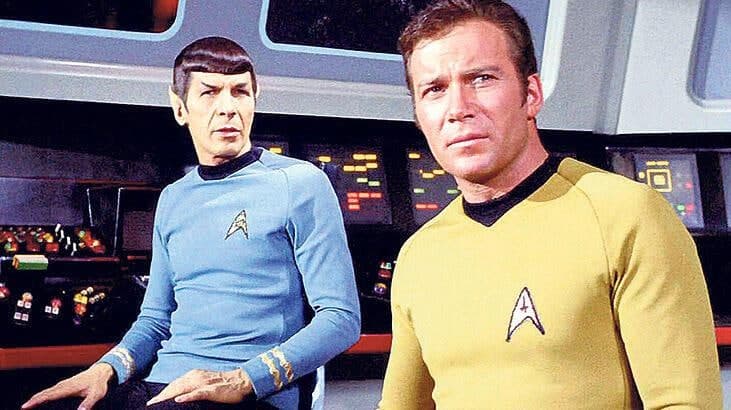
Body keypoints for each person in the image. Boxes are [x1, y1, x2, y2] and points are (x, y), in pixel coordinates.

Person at [379, 1, 722, 408]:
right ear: (418, 115)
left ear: (531, 94)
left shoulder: (626, 215)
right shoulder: (420, 256)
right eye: (434, 90)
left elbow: (685, 402)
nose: (458, 109)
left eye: (481, 79)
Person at [23, 36, 361, 410]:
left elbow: (341, 320)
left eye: (240, 92)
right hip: (163, 387)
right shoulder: (173, 198)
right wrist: (106, 369)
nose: (228, 108)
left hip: (247, 393)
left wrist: (244, 379)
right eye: (209, 93)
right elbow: (155, 320)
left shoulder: (299, 183)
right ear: (180, 107)